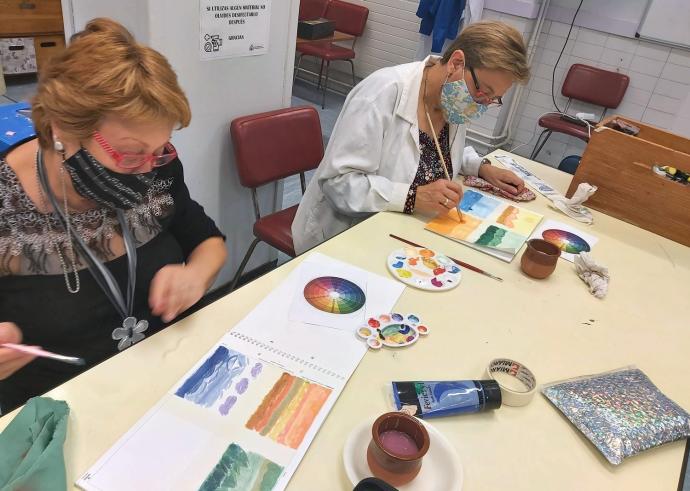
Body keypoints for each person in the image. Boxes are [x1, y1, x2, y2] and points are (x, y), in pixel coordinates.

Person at [0, 18, 227, 412]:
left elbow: (207, 240)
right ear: (61, 130)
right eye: (130, 153)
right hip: (60, 407)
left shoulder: (157, 169)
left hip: (166, 381)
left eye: (160, 149)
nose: (147, 169)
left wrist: (195, 275)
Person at [292, 21, 530, 254]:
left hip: (408, 237)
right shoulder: (382, 93)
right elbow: (338, 183)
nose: (482, 104)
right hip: (346, 238)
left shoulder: (453, 100)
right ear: (456, 63)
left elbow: (435, 153)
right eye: (483, 91)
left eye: (493, 99)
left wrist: (481, 167)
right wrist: (412, 197)